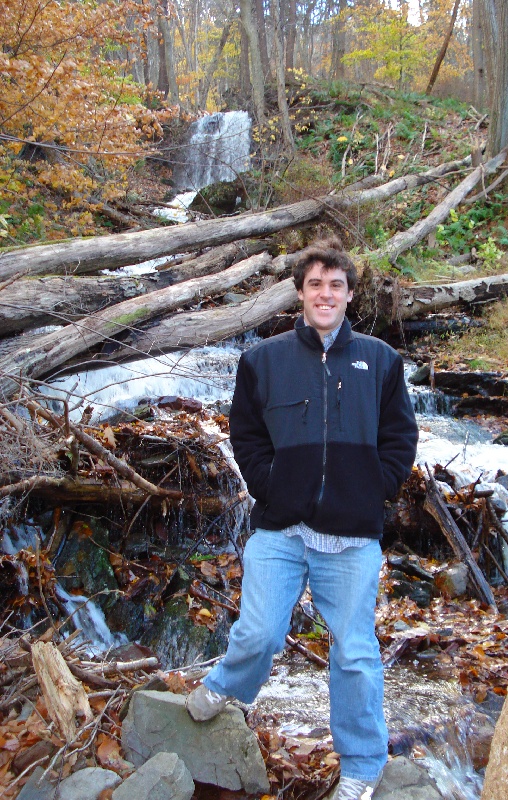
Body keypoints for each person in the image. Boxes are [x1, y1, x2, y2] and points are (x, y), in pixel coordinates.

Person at [186, 236, 419, 800]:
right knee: (261, 632)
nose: (325, 294)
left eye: (335, 285)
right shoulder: (262, 359)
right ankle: (229, 686)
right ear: (299, 293)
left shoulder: (381, 361)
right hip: (281, 529)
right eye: (314, 284)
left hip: (351, 537)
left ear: (349, 295)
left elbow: (400, 438)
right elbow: (244, 434)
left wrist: (373, 491)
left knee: (356, 653)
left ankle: (362, 767)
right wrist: (268, 486)